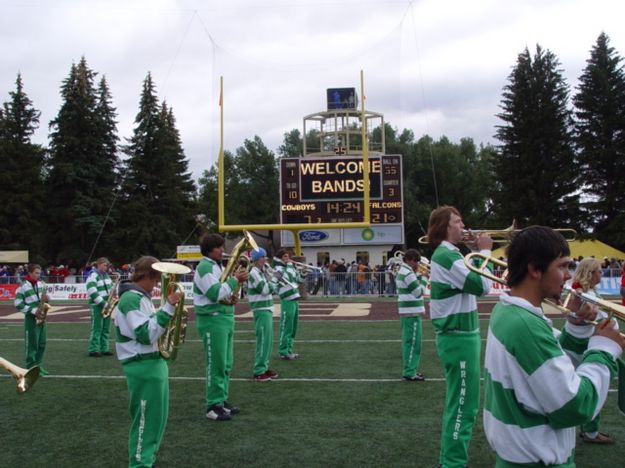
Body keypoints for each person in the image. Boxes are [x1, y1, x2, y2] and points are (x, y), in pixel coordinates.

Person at [483, 226, 624, 467]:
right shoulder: (525, 325)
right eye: (562, 266)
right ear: (534, 269)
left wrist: (577, 328)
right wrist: (603, 350)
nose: (569, 275)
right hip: (536, 459)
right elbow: (575, 407)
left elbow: (548, 367)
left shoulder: (509, 310)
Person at [428, 206, 493, 468]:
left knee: (465, 404)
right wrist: (486, 250)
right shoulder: (446, 256)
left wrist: (476, 252)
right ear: (445, 227)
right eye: (458, 221)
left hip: (463, 336)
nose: (463, 225)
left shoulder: (454, 255)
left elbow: (474, 278)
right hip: (458, 337)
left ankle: (452, 460)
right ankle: (452, 463)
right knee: (463, 406)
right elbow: (482, 286)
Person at [114, 256, 183, 468]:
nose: (156, 286)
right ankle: (140, 463)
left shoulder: (139, 298)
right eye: (155, 280)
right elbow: (145, 334)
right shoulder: (131, 299)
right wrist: (169, 307)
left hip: (151, 362)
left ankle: (146, 459)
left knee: (156, 419)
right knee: (145, 419)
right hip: (141, 364)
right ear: (146, 275)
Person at [559, 257, 616, 444]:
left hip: (582, 341)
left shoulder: (591, 291)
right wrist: (581, 312)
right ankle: (590, 433)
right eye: (599, 270)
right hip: (574, 344)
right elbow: (571, 316)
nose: (602, 273)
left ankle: (590, 431)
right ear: (590, 273)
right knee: (590, 386)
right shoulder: (577, 291)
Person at [193, 233, 248, 421]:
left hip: (223, 317)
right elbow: (215, 293)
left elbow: (225, 293)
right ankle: (212, 405)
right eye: (219, 247)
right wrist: (235, 280)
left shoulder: (216, 266)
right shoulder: (205, 267)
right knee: (216, 364)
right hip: (212, 319)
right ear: (210, 249)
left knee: (225, 364)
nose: (223, 250)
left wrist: (234, 283)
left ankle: (221, 400)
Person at [247, 247, 279, 381]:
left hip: (266, 308)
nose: (265, 260)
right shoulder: (254, 273)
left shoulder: (260, 272)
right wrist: (275, 280)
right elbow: (265, 290)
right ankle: (259, 370)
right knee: (263, 341)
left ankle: (264, 367)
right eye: (262, 257)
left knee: (268, 342)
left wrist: (270, 277)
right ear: (256, 259)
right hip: (260, 310)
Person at [395, 249, 428, 381]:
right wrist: (425, 278)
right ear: (409, 260)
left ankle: (411, 369)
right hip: (411, 313)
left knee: (412, 343)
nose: (417, 264)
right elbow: (418, 292)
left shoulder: (406, 272)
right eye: (416, 261)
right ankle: (409, 371)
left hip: (409, 313)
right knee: (413, 344)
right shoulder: (408, 273)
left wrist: (420, 276)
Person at [14, 263, 50, 375]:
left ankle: (38, 367)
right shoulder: (22, 287)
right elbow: (18, 304)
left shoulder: (41, 284)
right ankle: (31, 368)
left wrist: (47, 299)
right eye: (36, 273)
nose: (38, 275)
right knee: (32, 345)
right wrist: (34, 311)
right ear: (29, 273)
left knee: (42, 343)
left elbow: (44, 300)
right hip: (31, 318)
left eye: (39, 273)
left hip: (42, 317)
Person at [273, 249, 304, 360]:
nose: (288, 258)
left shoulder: (290, 267)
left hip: (295, 299)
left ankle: (289, 349)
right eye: (285, 256)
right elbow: (280, 281)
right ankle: (283, 351)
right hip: (286, 300)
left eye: (288, 256)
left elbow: (298, 280)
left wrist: (303, 272)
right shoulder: (277, 269)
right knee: (286, 327)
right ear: (280, 258)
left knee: (293, 328)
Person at [86, 257, 114, 357]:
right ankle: (93, 349)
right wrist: (103, 303)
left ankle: (104, 348)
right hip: (97, 306)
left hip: (107, 305)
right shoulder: (93, 275)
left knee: (106, 328)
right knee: (97, 328)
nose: (106, 267)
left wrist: (113, 295)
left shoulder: (106, 276)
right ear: (99, 264)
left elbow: (111, 288)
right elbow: (91, 291)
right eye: (105, 265)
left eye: (107, 265)